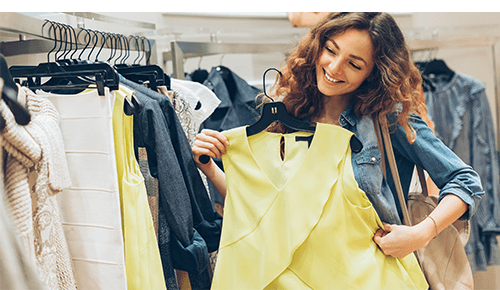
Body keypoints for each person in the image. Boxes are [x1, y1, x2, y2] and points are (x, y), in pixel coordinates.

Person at [193, 12, 484, 289]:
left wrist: (419, 235)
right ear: (318, 47)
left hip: (375, 279)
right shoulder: (290, 116)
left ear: (372, 73)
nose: (334, 68)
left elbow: (465, 182)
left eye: (354, 64)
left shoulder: (385, 119)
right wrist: (209, 166)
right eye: (331, 51)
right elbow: (259, 209)